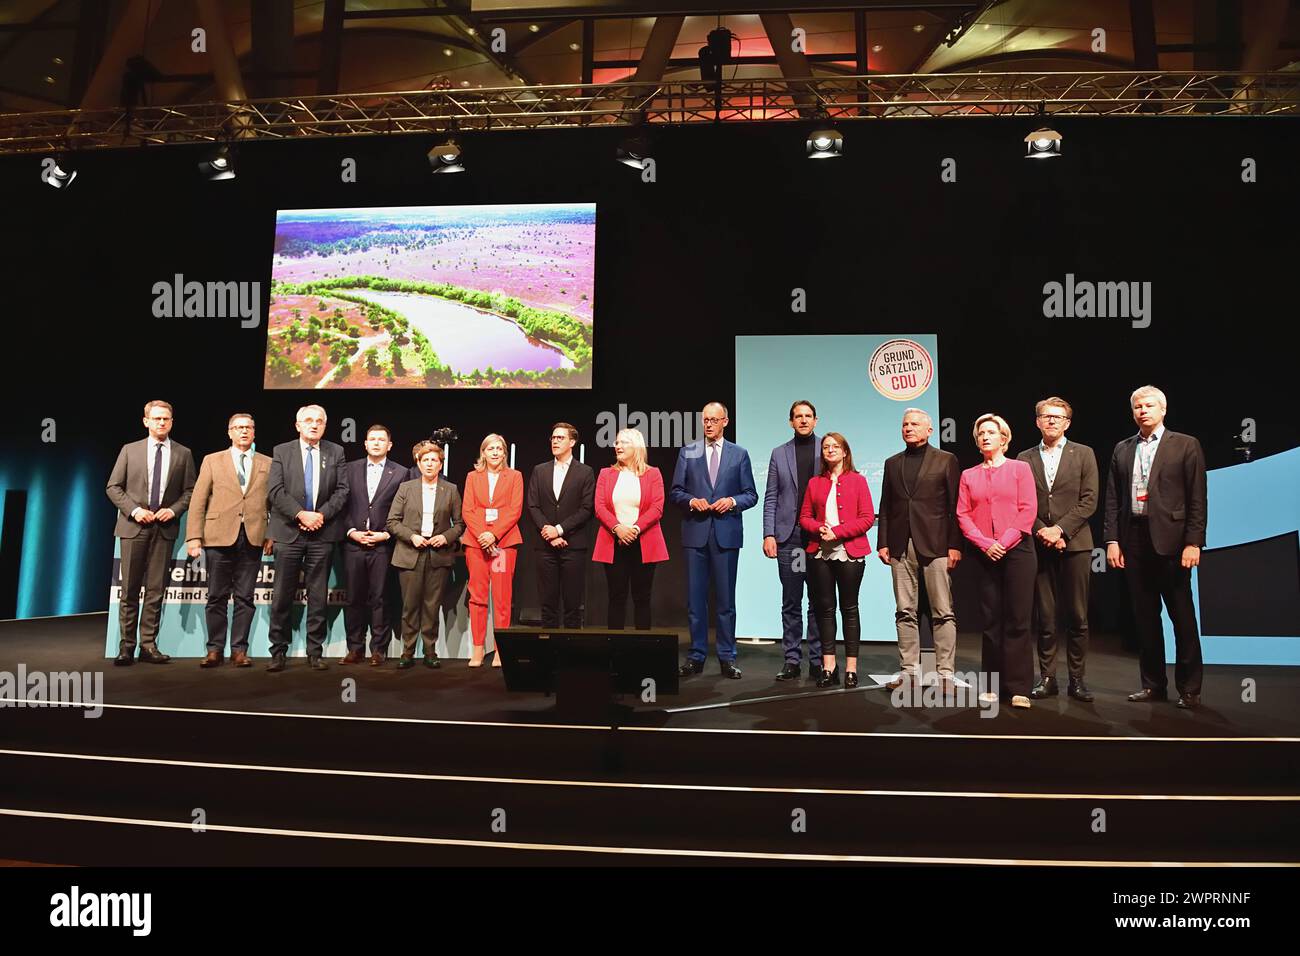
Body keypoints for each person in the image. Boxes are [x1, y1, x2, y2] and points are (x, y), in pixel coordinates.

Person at [1103, 386, 1207, 709]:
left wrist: (1193, 542)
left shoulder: (1186, 445)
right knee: (1145, 617)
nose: (1142, 410)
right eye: (1137, 406)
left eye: (1148, 405)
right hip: (1133, 537)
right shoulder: (1123, 448)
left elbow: (1197, 499)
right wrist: (1111, 540)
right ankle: (1153, 685)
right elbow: (1112, 498)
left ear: (1163, 410)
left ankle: (1189, 688)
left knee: (1181, 616)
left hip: (1173, 542)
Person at [1016, 397, 1098, 702]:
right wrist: (1043, 531)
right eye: (1046, 416)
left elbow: (1089, 500)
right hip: (1039, 546)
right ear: (1037, 421)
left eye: (1058, 417)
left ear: (1067, 423)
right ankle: (1047, 678)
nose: (1051, 421)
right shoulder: (1023, 458)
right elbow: (1021, 501)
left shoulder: (1084, 454)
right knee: (1046, 618)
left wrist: (1060, 530)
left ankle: (1077, 679)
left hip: (1075, 544)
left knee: (1078, 616)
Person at [877, 408, 963, 691]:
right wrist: (884, 542)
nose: (908, 428)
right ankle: (909, 672)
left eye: (915, 424)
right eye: (905, 424)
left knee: (943, 611)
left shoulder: (946, 460)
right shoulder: (892, 463)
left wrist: (954, 545)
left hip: (936, 544)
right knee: (904, 611)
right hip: (901, 546)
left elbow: (954, 507)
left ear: (929, 430)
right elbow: (886, 507)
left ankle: (946, 674)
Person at [670, 402, 757, 679]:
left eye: (714, 420)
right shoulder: (689, 452)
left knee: (725, 600)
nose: (708, 424)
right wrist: (691, 501)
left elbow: (750, 494)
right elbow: (676, 492)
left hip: (725, 534)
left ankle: (727, 656)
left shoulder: (739, 454)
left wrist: (731, 501)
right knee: (696, 601)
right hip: (695, 533)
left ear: (725, 422)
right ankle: (696, 655)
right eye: (705, 420)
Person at [106, 400, 196, 665]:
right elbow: (113, 487)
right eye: (156, 418)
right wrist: (134, 510)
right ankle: (126, 646)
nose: (161, 423)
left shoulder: (183, 453)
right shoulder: (129, 450)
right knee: (129, 590)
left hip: (164, 529)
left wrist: (175, 510)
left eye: (166, 419)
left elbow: (190, 491)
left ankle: (148, 645)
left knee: (156, 590)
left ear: (171, 422)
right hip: (134, 527)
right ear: (145, 421)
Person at [957, 413, 1037, 709]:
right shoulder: (969, 475)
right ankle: (992, 684)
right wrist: (985, 544)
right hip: (984, 553)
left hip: (1017, 552)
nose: (985, 437)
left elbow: (1028, 510)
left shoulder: (1021, 469)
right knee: (991, 620)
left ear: (1004, 438)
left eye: (991, 432)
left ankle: (1018, 687)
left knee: (1017, 619)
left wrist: (1002, 543)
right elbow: (963, 515)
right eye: (980, 434)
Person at [265, 404, 349, 672]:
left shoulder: (336, 451)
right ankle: (278, 651)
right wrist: (301, 515)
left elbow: (342, 490)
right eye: (309, 421)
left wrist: (320, 515)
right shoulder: (281, 451)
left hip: (322, 534)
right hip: (289, 533)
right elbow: (275, 491)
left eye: (319, 421)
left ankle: (315, 651)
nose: (314, 425)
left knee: (317, 595)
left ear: (325, 425)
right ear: (298, 425)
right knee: (281, 595)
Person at [185, 412, 272, 668]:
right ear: (229, 432)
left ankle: (239, 650)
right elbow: (198, 500)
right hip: (218, 537)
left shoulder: (268, 462)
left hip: (253, 536)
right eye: (238, 427)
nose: (244, 431)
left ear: (254, 432)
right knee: (216, 596)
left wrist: (272, 534)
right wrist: (193, 537)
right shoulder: (213, 460)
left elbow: (275, 503)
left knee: (245, 598)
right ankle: (214, 649)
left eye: (248, 427)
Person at [799, 432, 874, 688]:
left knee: (849, 609)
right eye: (826, 447)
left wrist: (838, 532)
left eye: (835, 446)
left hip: (849, 551)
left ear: (845, 452)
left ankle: (851, 668)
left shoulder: (858, 481)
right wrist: (819, 527)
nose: (830, 450)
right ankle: (829, 666)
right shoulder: (814, 483)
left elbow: (866, 518)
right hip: (820, 551)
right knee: (825, 609)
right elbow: (805, 517)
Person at [387, 440, 464, 668]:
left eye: (434, 460)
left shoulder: (450, 490)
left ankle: (430, 652)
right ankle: (407, 652)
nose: (430, 464)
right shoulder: (406, 488)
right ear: (418, 463)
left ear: (441, 464)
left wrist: (446, 537)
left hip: (438, 555)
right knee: (410, 606)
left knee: (432, 606)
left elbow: (459, 524)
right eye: (425, 460)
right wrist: (412, 536)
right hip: (410, 553)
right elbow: (392, 521)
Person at [763, 400, 823, 682]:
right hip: (789, 537)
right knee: (791, 600)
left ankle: (818, 659)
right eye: (798, 416)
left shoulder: (828, 448)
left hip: (820, 538)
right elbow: (771, 496)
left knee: (819, 601)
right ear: (790, 422)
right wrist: (769, 534)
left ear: (816, 420)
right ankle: (791, 659)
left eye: (808, 416)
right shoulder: (779, 453)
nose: (803, 420)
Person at [341, 424, 408, 666]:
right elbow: (342, 505)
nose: (377, 443)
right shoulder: (349, 469)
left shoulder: (401, 473)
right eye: (372, 439)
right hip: (353, 544)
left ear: (389, 445)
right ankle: (354, 648)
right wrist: (351, 531)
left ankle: (379, 649)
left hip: (383, 545)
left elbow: (405, 511)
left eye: (382, 439)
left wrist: (386, 534)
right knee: (354, 598)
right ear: (365, 444)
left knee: (380, 597)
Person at [593, 428, 669, 629]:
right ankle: (614, 651)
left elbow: (657, 507)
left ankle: (642, 652)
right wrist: (618, 528)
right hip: (613, 542)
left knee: (642, 598)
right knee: (616, 597)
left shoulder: (653, 474)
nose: (617, 446)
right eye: (617, 443)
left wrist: (634, 529)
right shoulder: (605, 474)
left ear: (636, 446)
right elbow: (599, 507)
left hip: (643, 542)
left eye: (623, 442)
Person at [461, 433, 523, 667]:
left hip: (503, 544)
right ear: (483, 453)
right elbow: (468, 510)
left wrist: (494, 534)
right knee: (477, 596)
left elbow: (514, 510)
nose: (495, 452)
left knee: (502, 598)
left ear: (504, 453)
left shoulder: (515, 476)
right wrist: (482, 535)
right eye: (490, 449)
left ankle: (500, 650)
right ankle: (478, 649)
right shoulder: (472, 477)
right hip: (476, 544)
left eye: (499, 448)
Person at [526, 422, 596, 629]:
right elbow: (532, 504)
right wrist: (549, 532)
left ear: (572, 442)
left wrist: (559, 529)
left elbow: (586, 508)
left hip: (573, 545)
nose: (555, 441)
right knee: (548, 603)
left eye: (560, 438)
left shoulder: (585, 472)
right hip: (545, 545)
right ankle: (549, 654)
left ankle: (571, 654)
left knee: (573, 604)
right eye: (553, 438)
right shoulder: (540, 470)